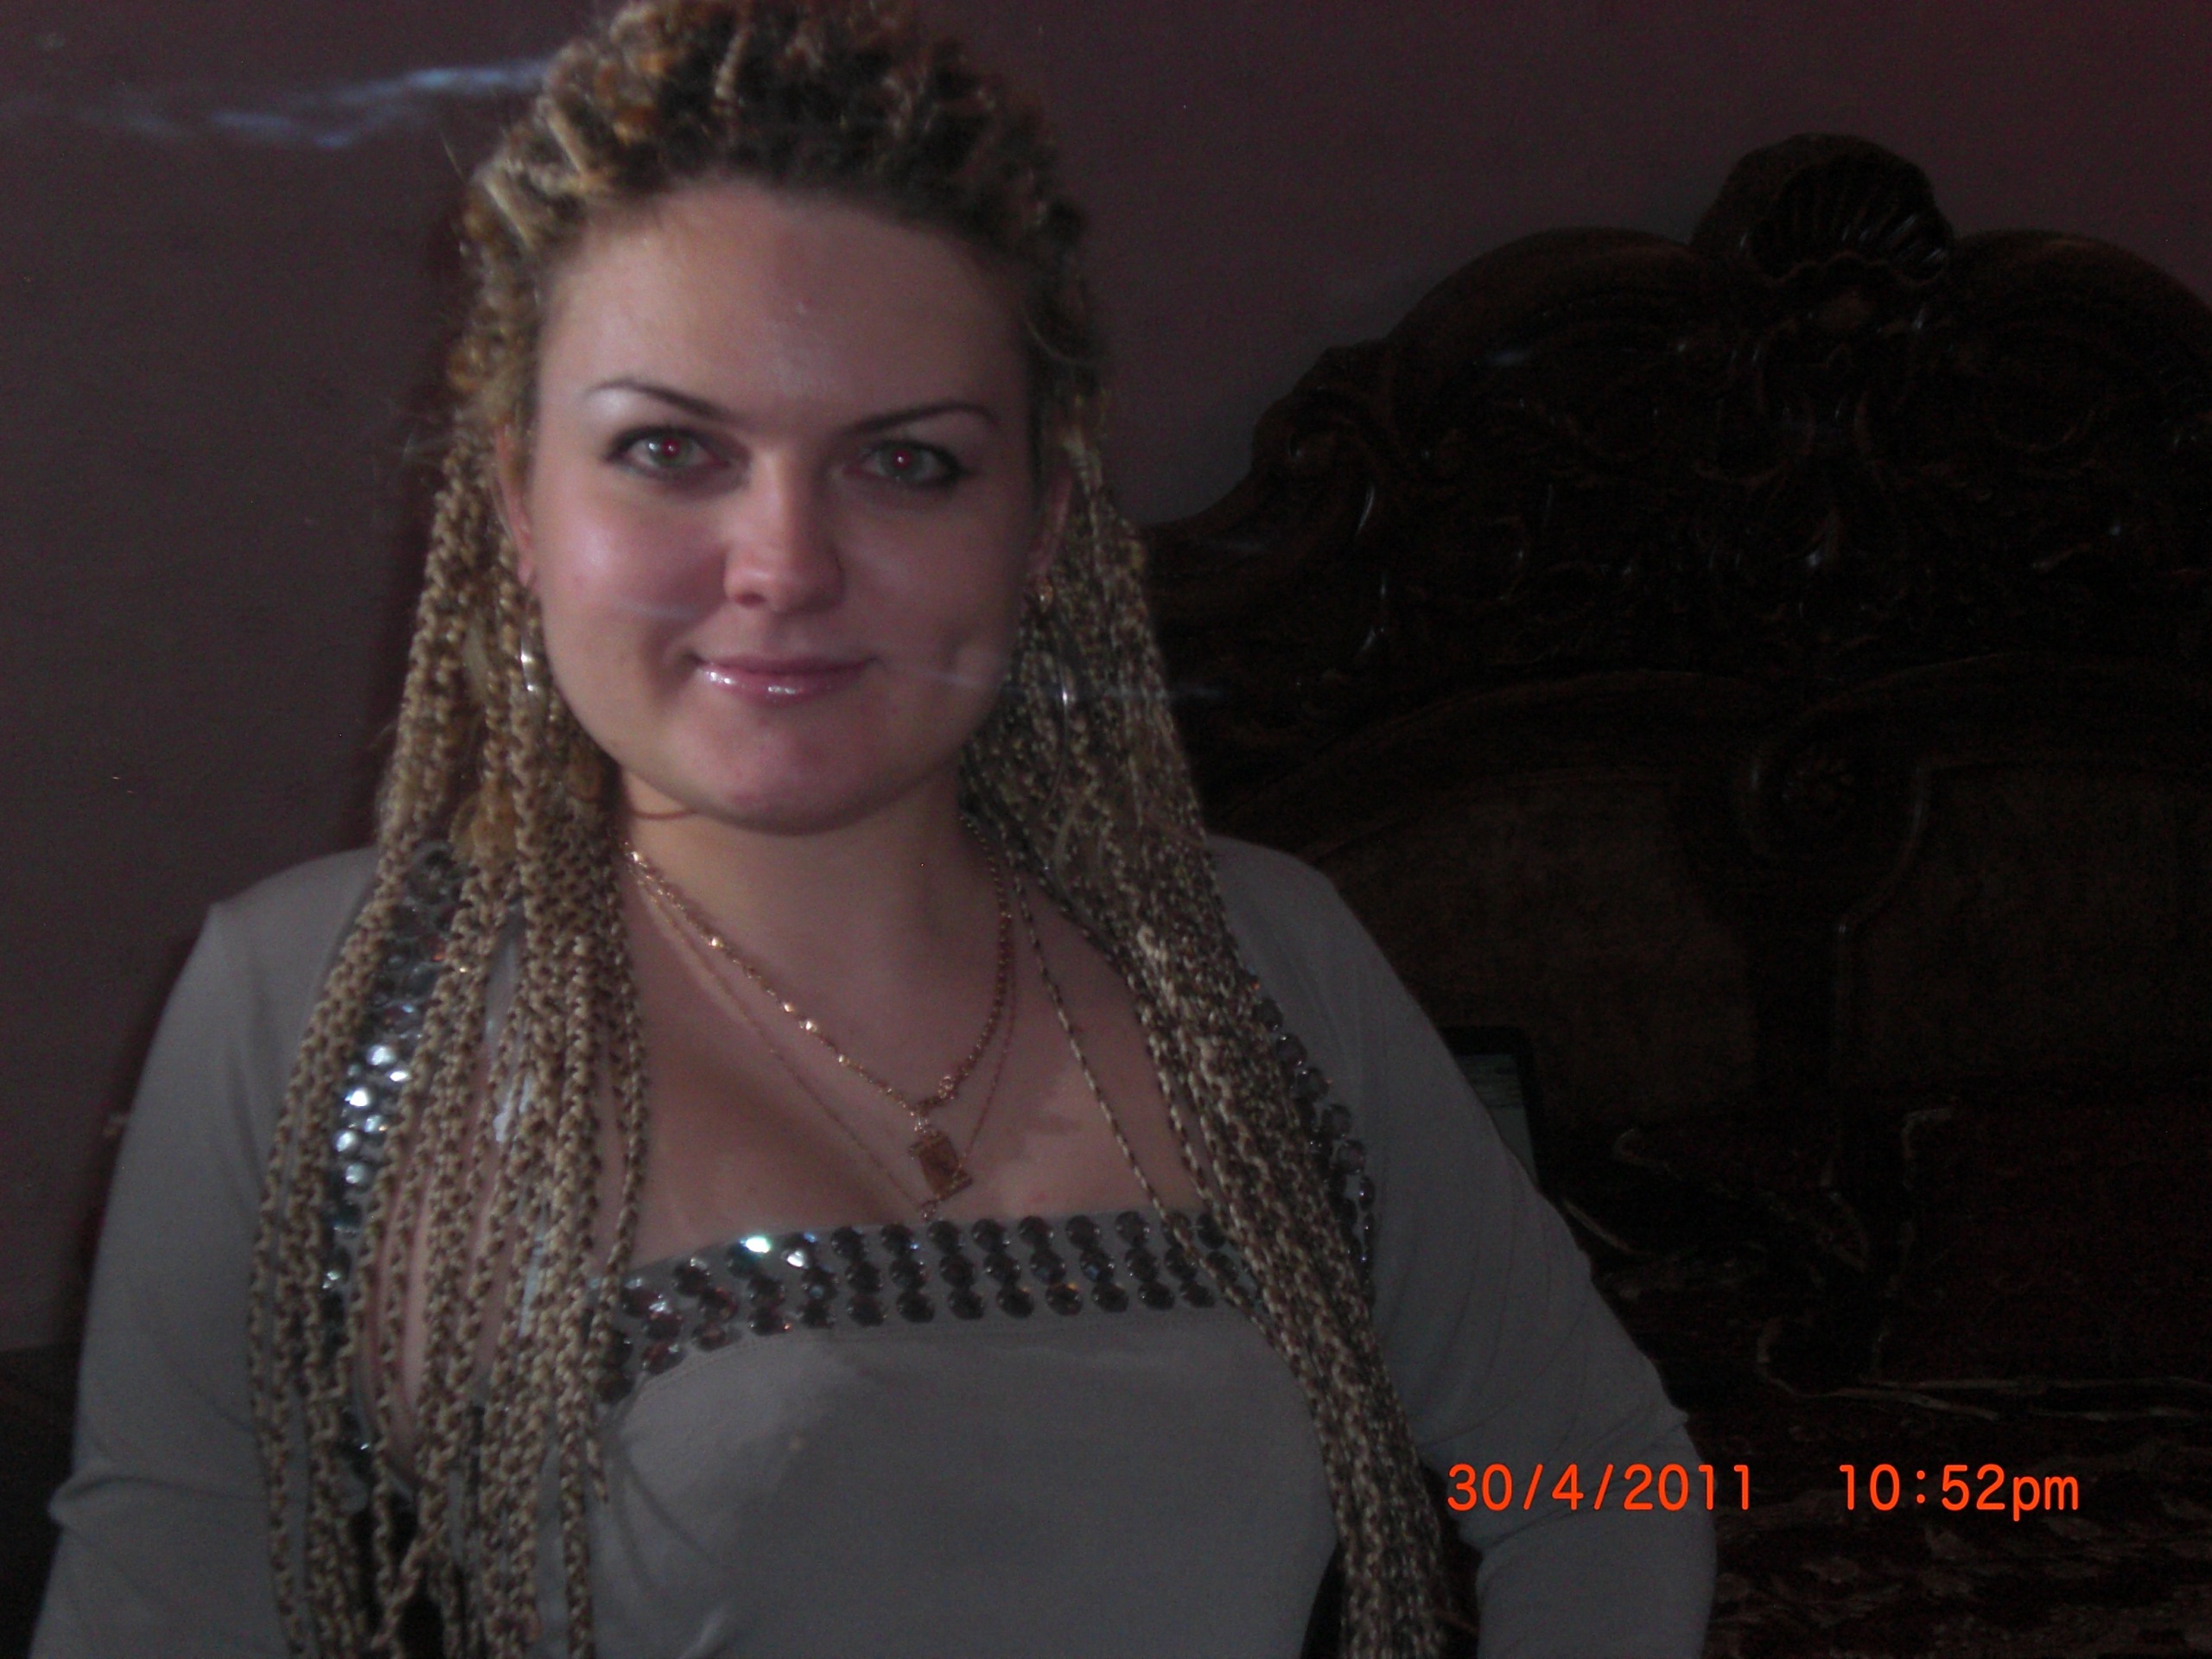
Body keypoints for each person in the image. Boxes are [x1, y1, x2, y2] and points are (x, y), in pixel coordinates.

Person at [34, 3, 1714, 1655]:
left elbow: (1601, 1475)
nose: (784, 565)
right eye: (669, 448)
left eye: (905, 463)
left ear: (1041, 525)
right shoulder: (317, 1003)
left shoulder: (1263, 959)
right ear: (516, 507)